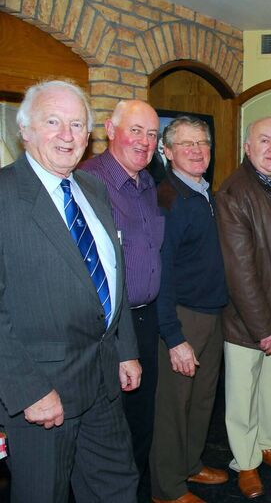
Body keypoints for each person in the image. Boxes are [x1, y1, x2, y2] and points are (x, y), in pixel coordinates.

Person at [0, 80, 140, 502]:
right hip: (44, 394)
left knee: (117, 488)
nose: (67, 135)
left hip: (102, 382)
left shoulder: (92, 188)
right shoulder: (4, 196)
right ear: (25, 131)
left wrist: (125, 348)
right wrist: (28, 390)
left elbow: (114, 274)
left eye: (77, 124)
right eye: (53, 122)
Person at [216, 117, 271, 498]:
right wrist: (263, 326)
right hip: (247, 319)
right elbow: (240, 271)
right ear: (247, 146)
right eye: (264, 141)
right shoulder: (234, 191)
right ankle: (245, 462)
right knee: (242, 396)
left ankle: (266, 444)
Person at [80, 99, 164, 480]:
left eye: (151, 134)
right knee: (107, 435)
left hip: (146, 321)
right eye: (135, 130)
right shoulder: (86, 182)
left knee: (140, 425)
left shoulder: (148, 183)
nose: (144, 142)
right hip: (107, 329)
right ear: (110, 131)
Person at [149, 116, 229, 503]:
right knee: (173, 406)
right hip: (182, 317)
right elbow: (161, 273)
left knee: (202, 399)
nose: (197, 150)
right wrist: (174, 337)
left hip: (212, 314)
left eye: (203, 143)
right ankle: (167, 488)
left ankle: (190, 465)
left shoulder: (204, 192)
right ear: (166, 152)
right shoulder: (168, 198)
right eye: (186, 144)